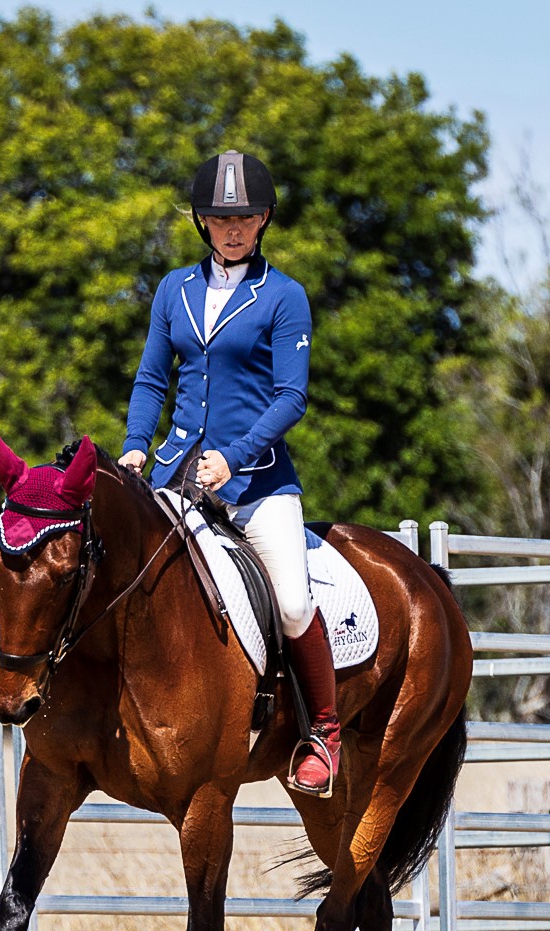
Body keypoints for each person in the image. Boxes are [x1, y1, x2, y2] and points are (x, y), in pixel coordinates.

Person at [119, 149, 340, 795]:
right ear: (201, 222)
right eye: (220, 218)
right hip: (174, 471)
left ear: (264, 218)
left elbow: (290, 396)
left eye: (245, 217)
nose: (233, 228)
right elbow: (152, 376)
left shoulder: (284, 296)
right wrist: (136, 444)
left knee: (294, 602)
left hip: (256, 478)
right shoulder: (174, 290)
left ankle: (319, 732)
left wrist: (234, 456)